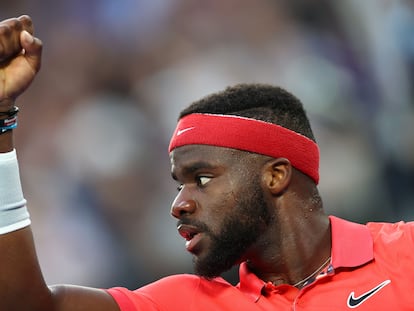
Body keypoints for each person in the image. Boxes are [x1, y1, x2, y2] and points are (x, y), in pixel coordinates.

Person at [0, 15, 413, 311]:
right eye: (179, 183)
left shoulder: (404, 253)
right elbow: (25, 303)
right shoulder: (187, 302)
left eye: (201, 178)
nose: (179, 204)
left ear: (275, 175)